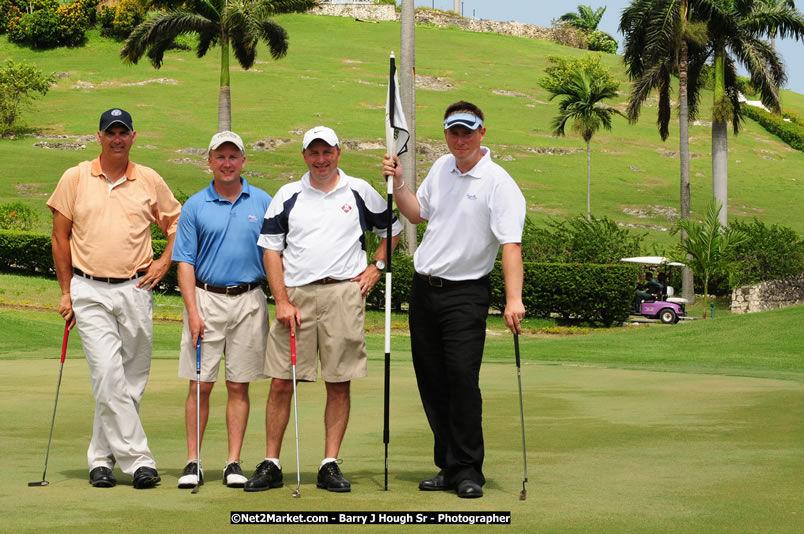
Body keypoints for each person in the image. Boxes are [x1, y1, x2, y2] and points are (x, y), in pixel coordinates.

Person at [244, 126, 402, 493]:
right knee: (282, 382)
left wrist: (375, 269)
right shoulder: (289, 194)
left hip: (343, 294)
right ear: (304, 156)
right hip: (296, 295)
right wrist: (281, 299)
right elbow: (270, 249)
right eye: (313, 153)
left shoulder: (360, 191)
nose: (320, 159)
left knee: (338, 381)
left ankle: (329, 464)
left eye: (326, 151)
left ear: (338, 152)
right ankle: (272, 463)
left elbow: (391, 230)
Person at [382, 101, 526, 499]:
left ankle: (467, 470)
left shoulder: (498, 182)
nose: (460, 139)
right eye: (453, 132)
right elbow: (416, 214)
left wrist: (513, 300)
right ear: (445, 134)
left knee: (462, 380)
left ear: (482, 132)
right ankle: (447, 464)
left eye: (467, 131)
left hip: (466, 294)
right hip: (425, 290)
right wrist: (397, 184)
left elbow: (511, 246)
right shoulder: (440, 169)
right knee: (432, 381)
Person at [47, 108, 181, 489]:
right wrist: (65, 291)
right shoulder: (75, 177)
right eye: (111, 132)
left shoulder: (149, 180)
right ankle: (140, 460)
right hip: (88, 289)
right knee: (107, 374)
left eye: (123, 132)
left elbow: (176, 223)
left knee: (131, 381)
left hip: (136, 288)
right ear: (99, 136)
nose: (117, 138)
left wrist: (164, 261)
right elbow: (60, 237)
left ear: (133, 137)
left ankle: (100, 460)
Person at [171, 131, 273, 489]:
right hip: (206, 299)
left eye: (233, 157)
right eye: (220, 157)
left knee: (239, 385)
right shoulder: (196, 205)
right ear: (209, 161)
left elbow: (276, 256)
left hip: (250, 299)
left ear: (244, 161)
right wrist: (192, 311)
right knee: (200, 385)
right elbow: (184, 262)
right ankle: (193, 461)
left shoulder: (263, 201)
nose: (227, 163)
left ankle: (232, 462)